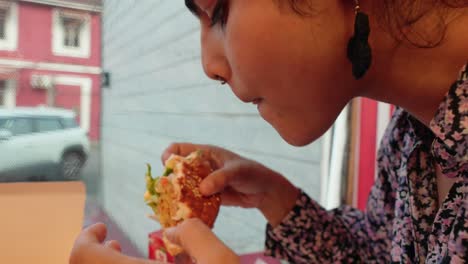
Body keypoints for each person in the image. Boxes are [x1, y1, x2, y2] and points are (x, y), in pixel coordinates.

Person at [70, 0, 468, 263]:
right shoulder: (408, 136)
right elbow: (376, 254)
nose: (209, 66)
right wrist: (276, 198)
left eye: (220, 12)